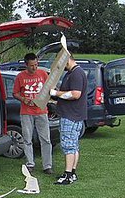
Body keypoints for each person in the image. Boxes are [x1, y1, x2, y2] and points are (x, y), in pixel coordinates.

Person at [12, 52, 53, 175]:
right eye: (32, 66)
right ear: (26, 65)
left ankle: (47, 165)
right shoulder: (20, 77)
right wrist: (24, 99)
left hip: (41, 111)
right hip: (26, 112)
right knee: (27, 139)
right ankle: (30, 163)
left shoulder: (43, 74)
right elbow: (15, 93)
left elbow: (49, 89)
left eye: (36, 65)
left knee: (45, 139)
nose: (34, 68)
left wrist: (47, 98)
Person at [50, 55, 88, 185]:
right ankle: (72, 173)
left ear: (67, 60)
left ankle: (67, 175)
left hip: (70, 116)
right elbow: (66, 93)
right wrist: (56, 96)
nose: (61, 67)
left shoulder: (76, 73)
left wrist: (56, 93)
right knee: (74, 145)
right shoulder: (73, 72)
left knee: (68, 145)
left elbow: (75, 94)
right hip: (74, 115)